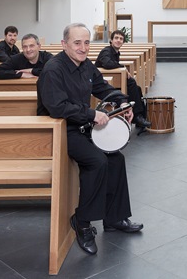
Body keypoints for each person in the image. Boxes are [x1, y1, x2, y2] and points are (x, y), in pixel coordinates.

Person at [37, 23, 143, 256]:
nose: (83, 48)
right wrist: (93, 114)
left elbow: (102, 88)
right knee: (97, 161)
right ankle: (82, 222)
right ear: (64, 44)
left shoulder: (86, 66)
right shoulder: (53, 70)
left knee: (116, 158)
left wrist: (122, 102)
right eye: (77, 42)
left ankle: (114, 218)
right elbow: (57, 108)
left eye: (86, 42)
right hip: (61, 130)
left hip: (82, 126)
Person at [95, 30, 151, 130]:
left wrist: (123, 68)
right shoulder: (106, 51)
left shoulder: (115, 52)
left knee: (136, 88)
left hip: (112, 79)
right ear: (111, 40)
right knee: (131, 82)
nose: (118, 40)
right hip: (103, 83)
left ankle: (140, 116)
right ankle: (137, 117)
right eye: (116, 38)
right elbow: (107, 64)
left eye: (121, 39)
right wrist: (123, 68)